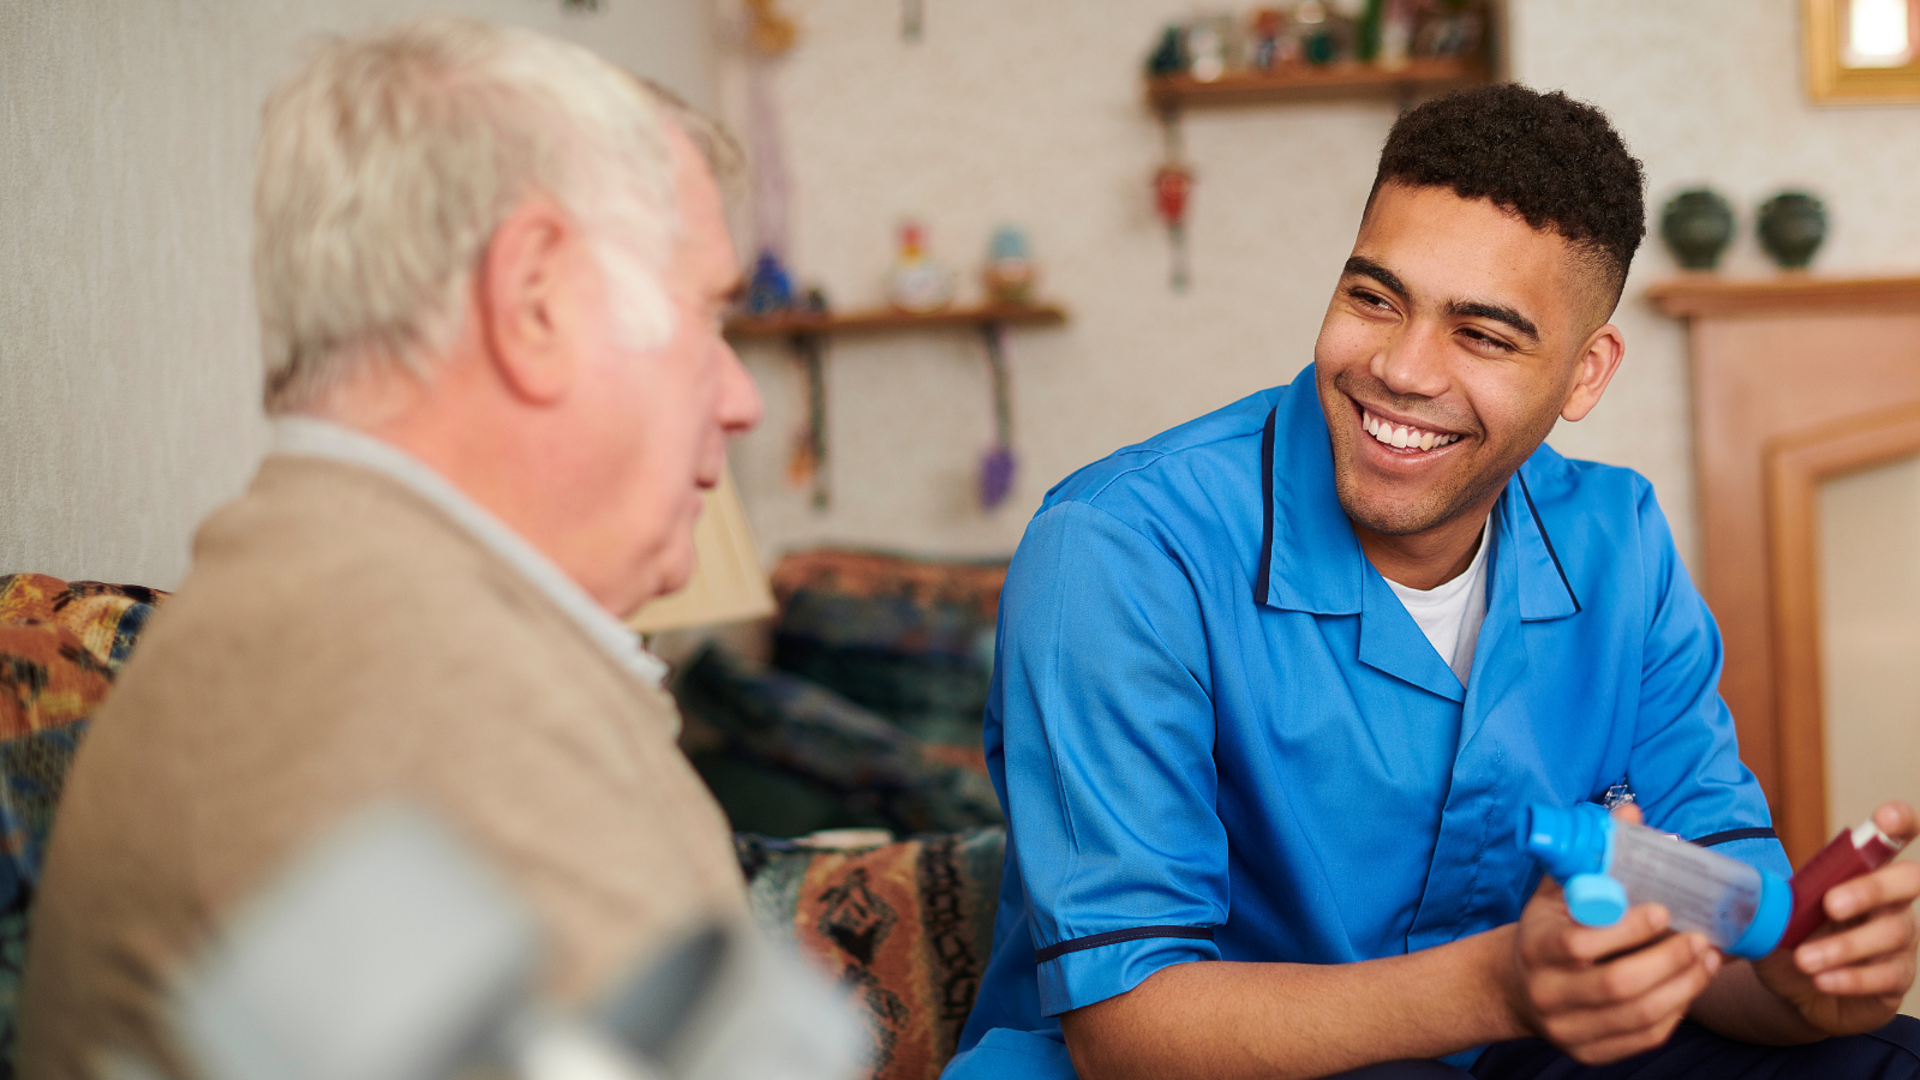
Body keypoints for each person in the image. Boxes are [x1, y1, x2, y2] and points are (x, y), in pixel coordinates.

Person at [945, 84, 1920, 1080]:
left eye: (1483, 335)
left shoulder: (1617, 542)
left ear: (1587, 375)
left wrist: (1809, 987)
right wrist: (1500, 986)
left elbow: (1703, 930)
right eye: (1374, 298)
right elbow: (1125, 1033)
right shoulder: (1117, 547)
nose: (1402, 370)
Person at [19, 17, 763, 1080]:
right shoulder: (418, 685)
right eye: (708, 316)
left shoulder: (352, 603)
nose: (742, 399)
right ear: (535, 296)